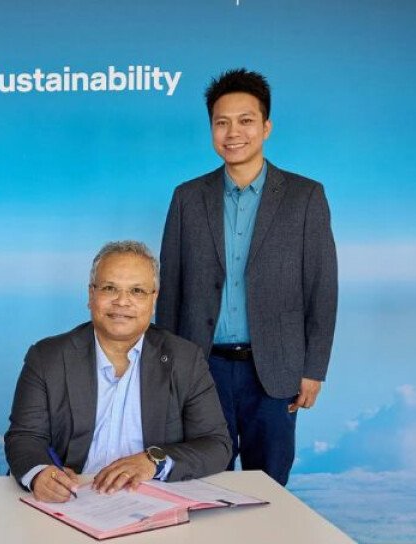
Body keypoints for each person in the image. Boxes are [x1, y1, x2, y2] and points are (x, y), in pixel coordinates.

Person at [156, 68, 338, 486]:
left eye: (245, 120)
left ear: (266, 127)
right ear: (211, 130)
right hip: (202, 368)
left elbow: (322, 289)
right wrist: (166, 369)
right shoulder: (187, 197)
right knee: (204, 484)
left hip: (275, 370)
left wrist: (314, 369)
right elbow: (170, 292)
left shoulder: (305, 196)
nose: (233, 132)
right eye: (222, 122)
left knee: (269, 487)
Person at [5, 241, 230, 503]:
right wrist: (40, 475)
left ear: (153, 299)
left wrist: (152, 461)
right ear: (91, 294)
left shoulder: (185, 359)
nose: (122, 301)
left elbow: (216, 444)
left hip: (153, 497)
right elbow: (25, 437)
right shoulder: (47, 357)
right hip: (73, 497)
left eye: (137, 291)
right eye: (110, 288)